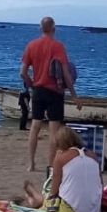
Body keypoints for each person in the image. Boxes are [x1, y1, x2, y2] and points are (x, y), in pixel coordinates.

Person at [20, 17, 79, 172]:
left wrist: (32, 84)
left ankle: (31, 164)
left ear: (40, 29)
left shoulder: (31, 45)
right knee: (54, 131)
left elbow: (23, 72)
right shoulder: (58, 47)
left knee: (35, 127)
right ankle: (51, 165)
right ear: (54, 29)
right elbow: (66, 74)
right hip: (55, 92)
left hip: (38, 90)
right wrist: (74, 94)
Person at [22, 126, 102, 212]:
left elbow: (54, 190)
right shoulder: (93, 156)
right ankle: (35, 198)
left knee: (49, 200)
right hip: (94, 210)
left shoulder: (61, 158)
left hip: (71, 210)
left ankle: (34, 198)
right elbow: (100, 183)